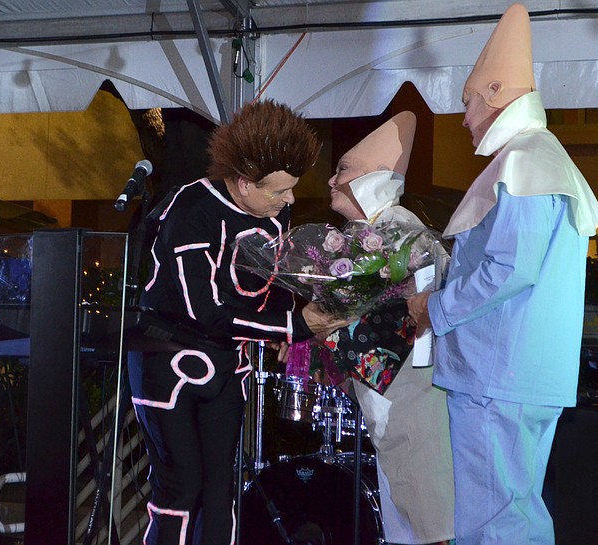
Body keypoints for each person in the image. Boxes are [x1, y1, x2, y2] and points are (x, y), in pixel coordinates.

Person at [406, 4, 598, 545]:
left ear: (495, 94)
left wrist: (434, 307)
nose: (464, 118)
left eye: (468, 102)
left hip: (498, 375)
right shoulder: (539, 159)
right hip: (518, 375)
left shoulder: (526, 162)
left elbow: (509, 269)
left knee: (494, 523)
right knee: (513, 513)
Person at [128, 99, 348, 545]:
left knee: (221, 490)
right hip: (169, 364)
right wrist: (293, 326)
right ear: (244, 183)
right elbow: (204, 309)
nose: (289, 200)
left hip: (229, 366)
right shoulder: (192, 210)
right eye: (279, 191)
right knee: (180, 488)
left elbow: (269, 280)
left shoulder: (274, 213)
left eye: (291, 190)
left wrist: (287, 322)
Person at [327, 111, 455, 545]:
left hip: (411, 391)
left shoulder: (401, 233)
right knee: (406, 510)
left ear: (374, 177)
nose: (331, 180)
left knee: (427, 512)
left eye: (343, 170)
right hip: (388, 394)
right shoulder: (369, 234)